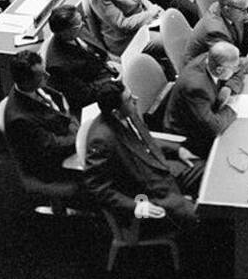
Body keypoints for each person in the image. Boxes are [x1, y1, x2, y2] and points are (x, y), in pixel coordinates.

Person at [81, 80, 202, 229]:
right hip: (145, 193)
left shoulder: (128, 111)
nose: (136, 99)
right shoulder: (101, 139)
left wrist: (178, 150)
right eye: (130, 99)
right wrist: (137, 206)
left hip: (161, 170)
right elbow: (97, 187)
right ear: (115, 112)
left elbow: (145, 139)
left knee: (205, 171)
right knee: (200, 216)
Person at [1, 52, 89, 209]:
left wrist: (73, 127)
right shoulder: (19, 119)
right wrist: (80, 134)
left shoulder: (34, 88)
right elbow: (53, 147)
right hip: (50, 166)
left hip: (65, 137)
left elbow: (63, 110)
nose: (48, 76)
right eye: (41, 76)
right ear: (26, 81)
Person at [161, 44, 243, 157]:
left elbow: (241, 67)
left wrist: (228, 87)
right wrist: (232, 107)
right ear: (220, 70)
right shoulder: (197, 88)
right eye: (234, 68)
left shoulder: (211, 58)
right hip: (188, 135)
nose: (236, 69)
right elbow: (214, 128)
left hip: (203, 113)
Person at [44, 5, 122, 111]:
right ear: (64, 32)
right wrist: (112, 81)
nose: (83, 24)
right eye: (78, 24)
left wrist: (110, 62)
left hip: (108, 70)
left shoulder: (77, 27)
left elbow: (100, 51)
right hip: (101, 94)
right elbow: (84, 95)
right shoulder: (58, 65)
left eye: (81, 19)